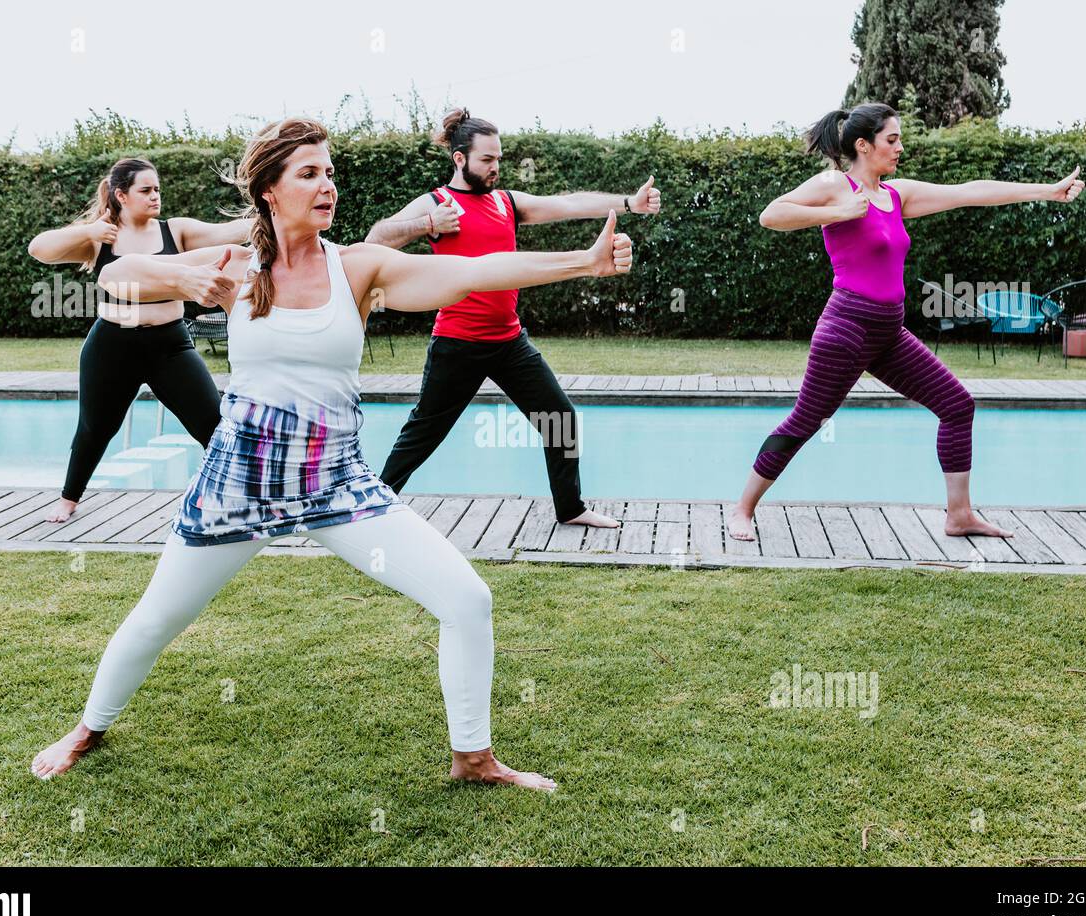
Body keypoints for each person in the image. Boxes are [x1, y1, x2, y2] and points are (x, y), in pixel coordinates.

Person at [31, 117, 634, 791]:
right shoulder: (234, 269)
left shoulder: (359, 269)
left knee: (468, 599)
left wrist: (582, 261)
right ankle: (87, 728)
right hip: (241, 483)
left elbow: (473, 271)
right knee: (157, 618)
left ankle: (475, 758)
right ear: (268, 190)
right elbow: (120, 276)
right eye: (309, 174)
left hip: (336, 486)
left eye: (330, 174)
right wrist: (193, 280)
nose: (328, 187)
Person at [727, 102, 1085, 542]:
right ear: (863, 145)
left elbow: (968, 191)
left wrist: (1046, 191)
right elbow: (772, 214)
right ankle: (742, 509)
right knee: (806, 421)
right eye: (891, 140)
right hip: (846, 329)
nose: (899, 148)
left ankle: (959, 514)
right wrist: (838, 213)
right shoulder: (834, 185)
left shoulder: (896, 195)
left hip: (889, 333)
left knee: (957, 406)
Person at [364, 107, 661, 528]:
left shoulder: (506, 202)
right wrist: (427, 223)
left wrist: (629, 203)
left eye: (499, 158)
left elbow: (567, 204)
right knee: (421, 435)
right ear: (460, 159)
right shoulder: (437, 203)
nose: (495, 167)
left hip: (508, 342)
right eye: (487, 159)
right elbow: (375, 239)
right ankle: (375, 507)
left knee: (559, 419)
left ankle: (571, 508)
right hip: (457, 343)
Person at [27, 158, 252, 522]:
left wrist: (273, 213)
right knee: (96, 427)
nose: (155, 197)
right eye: (145, 191)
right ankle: (68, 499)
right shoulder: (102, 238)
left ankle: (243, 494)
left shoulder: (174, 231)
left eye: (157, 189)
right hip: (113, 347)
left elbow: (230, 231)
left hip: (170, 346)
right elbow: (39, 248)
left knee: (213, 422)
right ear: (121, 195)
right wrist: (88, 233)